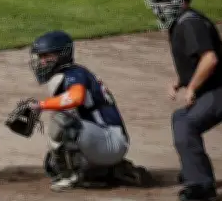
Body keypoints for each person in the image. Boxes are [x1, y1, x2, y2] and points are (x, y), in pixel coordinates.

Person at [145, 0, 222, 201]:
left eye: (164, 2)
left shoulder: (190, 23)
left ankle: (201, 186)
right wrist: (181, 81)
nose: (160, 8)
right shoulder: (181, 23)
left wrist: (192, 87)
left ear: (180, 2)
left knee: (187, 123)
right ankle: (193, 171)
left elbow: (209, 59)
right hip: (220, 87)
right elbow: (196, 61)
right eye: (158, 3)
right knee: (181, 118)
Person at [25, 30, 143, 192]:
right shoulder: (72, 73)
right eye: (41, 57)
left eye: (47, 56)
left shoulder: (75, 74)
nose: (42, 62)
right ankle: (111, 171)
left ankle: (70, 176)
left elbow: (76, 98)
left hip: (109, 139)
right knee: (52, 163)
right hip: (104, 138)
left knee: (62, 120)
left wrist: (41, 105)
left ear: (62, 55)